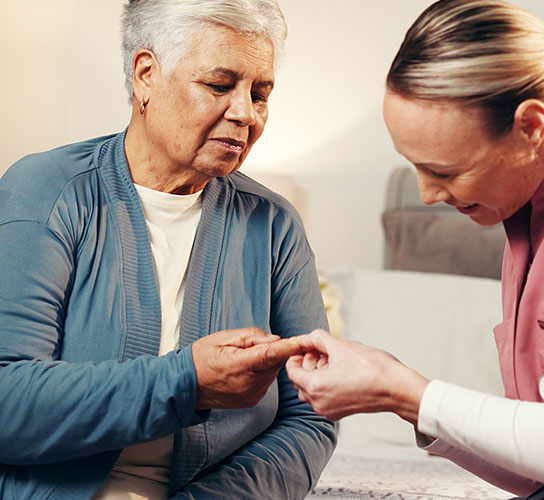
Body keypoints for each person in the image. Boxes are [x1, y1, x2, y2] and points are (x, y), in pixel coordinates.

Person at [285, 1, 544, 499]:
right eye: (416, 167)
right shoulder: (527, 214)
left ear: (531, 126)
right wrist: (396, 398)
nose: (427, 195)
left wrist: (407, 391)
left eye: (445, 171)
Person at [0, 0, 336, 499]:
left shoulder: (274, 224)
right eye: (219, 85)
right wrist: (188, 381)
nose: (245, 113)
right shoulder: (46, 189)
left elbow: (312, 417)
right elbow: (8, 402)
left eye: (260, 93)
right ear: (146, 76)